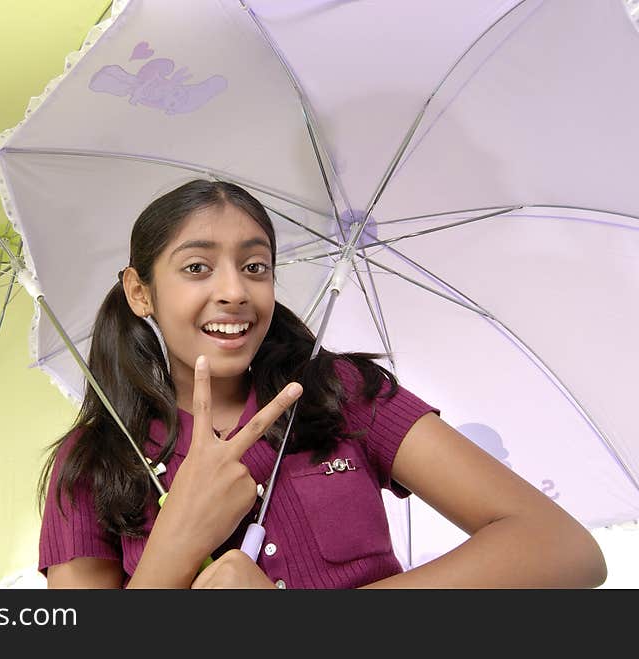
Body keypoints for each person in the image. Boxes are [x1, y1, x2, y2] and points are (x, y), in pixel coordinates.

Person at [36, 179, 607, 589]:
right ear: (140, 293)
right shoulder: (91, 462)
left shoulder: (341, 393)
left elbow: (564, 550)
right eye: (197, 268)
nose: (235, 290)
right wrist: (177, 542)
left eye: (255, 266)